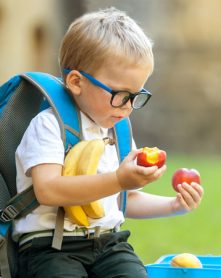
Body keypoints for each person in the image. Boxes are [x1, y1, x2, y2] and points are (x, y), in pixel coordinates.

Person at [14, 7, 204, 278]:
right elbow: (49, 190)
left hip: (109, 244)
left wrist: (174, 205)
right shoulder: (48, 125)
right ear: (77, 82)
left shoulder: (118, 130)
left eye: (136, 96)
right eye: (120, 95)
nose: (127, 108)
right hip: (50, 247)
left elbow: (124, 199)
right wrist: (118, 180)